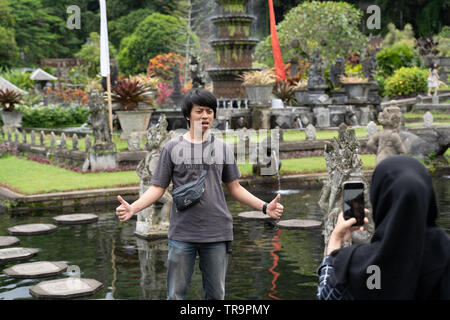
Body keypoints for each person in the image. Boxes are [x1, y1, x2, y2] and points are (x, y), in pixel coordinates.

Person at [116, 89, 284, 300]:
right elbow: (158, 187)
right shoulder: (172, 148)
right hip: (182, 234)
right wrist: (134, 207)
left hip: (217, 233)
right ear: (188, 115)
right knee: (176, 295)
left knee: (216, 296)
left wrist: (265, 207)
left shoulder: (222, 148)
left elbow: (235, 188)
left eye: (209, 111)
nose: (205, 116)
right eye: (199, 111)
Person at [317, 156, 450, 299]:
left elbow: (325, 295)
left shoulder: (355, 265)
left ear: (380, 199)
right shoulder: (445, 256)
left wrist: (334, 244)